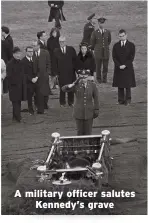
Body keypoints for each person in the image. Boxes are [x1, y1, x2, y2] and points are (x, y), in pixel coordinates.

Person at [62, 70, 99, 135]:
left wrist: (96, 109)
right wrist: (73, 84)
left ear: (88, 77)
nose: (84, 78)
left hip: (89, 112)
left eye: (85, 77)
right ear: (79, 77)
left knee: (88, 132)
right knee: (79, 132)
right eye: (81, 77)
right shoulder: (76, 85)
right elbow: (64, 89)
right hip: (78, 112)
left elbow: (96, 98)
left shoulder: (92, 85)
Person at [112, 29, 136, 105]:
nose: (122, 37)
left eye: (123, 36)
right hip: (119, 68)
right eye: (120, 36)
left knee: (127, 84)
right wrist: (119, 65)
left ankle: (128, 100)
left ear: (126, 35)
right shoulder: (116, 46)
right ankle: (120, 100)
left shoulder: (131, 45)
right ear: (118, 36)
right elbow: (114, 57)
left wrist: (125, 65)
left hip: (127, 67)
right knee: (120, 84)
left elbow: (131, 57)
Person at [54, 36, 77, 107]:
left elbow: (75, 60)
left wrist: (76, 71)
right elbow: (54, 63)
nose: (61, 43)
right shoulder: (56, 51)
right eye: (60, 42)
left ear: (65, 42)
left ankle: (71, 102)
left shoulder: (71, 49)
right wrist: (56, 73)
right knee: (62, 88)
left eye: (63, 42)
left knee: (71, 87)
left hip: (71, 72)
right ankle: (62, 103)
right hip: (61, 73)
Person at [6, 47, 27, 123]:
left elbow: (23, 74)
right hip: (14, 87)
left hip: (20, 86)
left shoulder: (20, 62)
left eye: (19, 53)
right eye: (17, 54)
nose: (18, 55)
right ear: (13, 54)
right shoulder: (10, 63)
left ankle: (15, 117)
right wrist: (16, 83)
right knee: (15, 102)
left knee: (18, 102)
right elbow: (9, 76)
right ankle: (18, 117)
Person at [32, 41, 51, 114]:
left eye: (35, 45)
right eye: (33, 46)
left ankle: (45, 104)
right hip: (35, 76)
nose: (33, 47)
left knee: (45, 90)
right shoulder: (32, 54)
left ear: (38, 46)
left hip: (44, 75)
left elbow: (49, 63)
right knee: (37, 91)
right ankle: (37, 105)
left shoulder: (45, 52)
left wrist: (48, 73)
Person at [90, 17, 111, 83]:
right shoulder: (95, 33)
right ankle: (99, 79)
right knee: (98, 67)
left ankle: (104, 79)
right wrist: (95, 49)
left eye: (103, 23)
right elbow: (92, 43)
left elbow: (109, 41)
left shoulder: (107, 32)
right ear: (98, 23)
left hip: (105, 52)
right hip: (98, 52)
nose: (102, 24)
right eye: (101, 23)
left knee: (105, 67)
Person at [21, 46, 37, 115]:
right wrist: (31, 79)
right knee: (29, 97)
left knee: (37, 95)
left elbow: (38, 69)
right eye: (29, 51)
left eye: (32, 51)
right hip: (28, 82)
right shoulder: (23, 61)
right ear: (26, 52)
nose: (31, 53)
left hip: (36, 80)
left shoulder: (35, 59)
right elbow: (24, 73)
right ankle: (31, 110)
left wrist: (36, 77)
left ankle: (37, 107)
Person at [1, 26, 14, 93]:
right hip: (6, 59)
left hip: (6, 60)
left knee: (5, 74)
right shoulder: (7, 39)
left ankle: (5, 89)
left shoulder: (7, 40)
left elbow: (9, 52)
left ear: (3, 32)